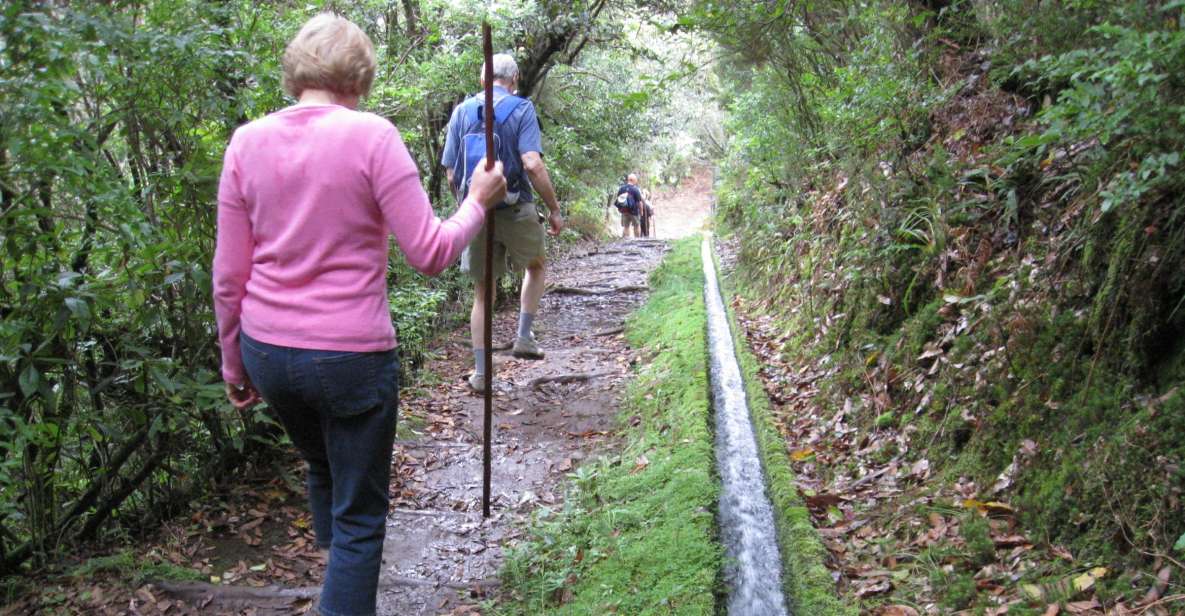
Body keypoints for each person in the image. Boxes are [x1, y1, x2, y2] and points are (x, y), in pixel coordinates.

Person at [212, 14, 506, 616]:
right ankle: (340, 581)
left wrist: (232, 362)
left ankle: (332, 573)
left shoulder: (247, 141)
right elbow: (429, 252)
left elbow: (228, 273)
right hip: (350, 358)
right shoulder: (373, 137)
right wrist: (476, 203)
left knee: (324, 463)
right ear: (360, 74)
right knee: (361, 518)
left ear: (298, 69)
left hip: (269, 352)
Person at [441, 53, 564, 393]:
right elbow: (532, 163)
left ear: (483, 79)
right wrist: (553, 209)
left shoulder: (461, 112)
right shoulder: (522, 109)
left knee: (483, 293)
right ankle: (524, 336)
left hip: (477, 211)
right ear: (515, 78)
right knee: (536, 265)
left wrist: (470, 205)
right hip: (516, 206)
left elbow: (452, 172)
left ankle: (481, 374)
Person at [615, 173, 644, 238]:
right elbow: (640, 202)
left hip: (624, 211)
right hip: (634, 212)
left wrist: (620, 209)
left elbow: (618, 200)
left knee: (626, 226)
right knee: (637, 226)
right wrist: (641, 212)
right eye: (636, 180)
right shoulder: (635, 189)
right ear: (634, 180)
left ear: (628, 180)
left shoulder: (621, 188)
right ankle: (637, 240)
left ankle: (626, 240)